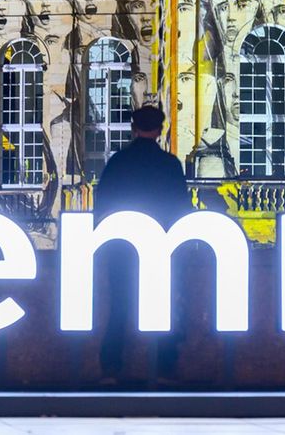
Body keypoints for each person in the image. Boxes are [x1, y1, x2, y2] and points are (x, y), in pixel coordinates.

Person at [93, 105, 192, 386]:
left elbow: (103, 206)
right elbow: (180, 209)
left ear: (133, 128)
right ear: (160, 130)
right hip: (161, 246)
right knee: (164, 308)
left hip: (122, 247)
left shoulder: (118, 162)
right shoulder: (170, 164)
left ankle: (110, 368)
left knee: (119, 306)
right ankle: (164, 367)